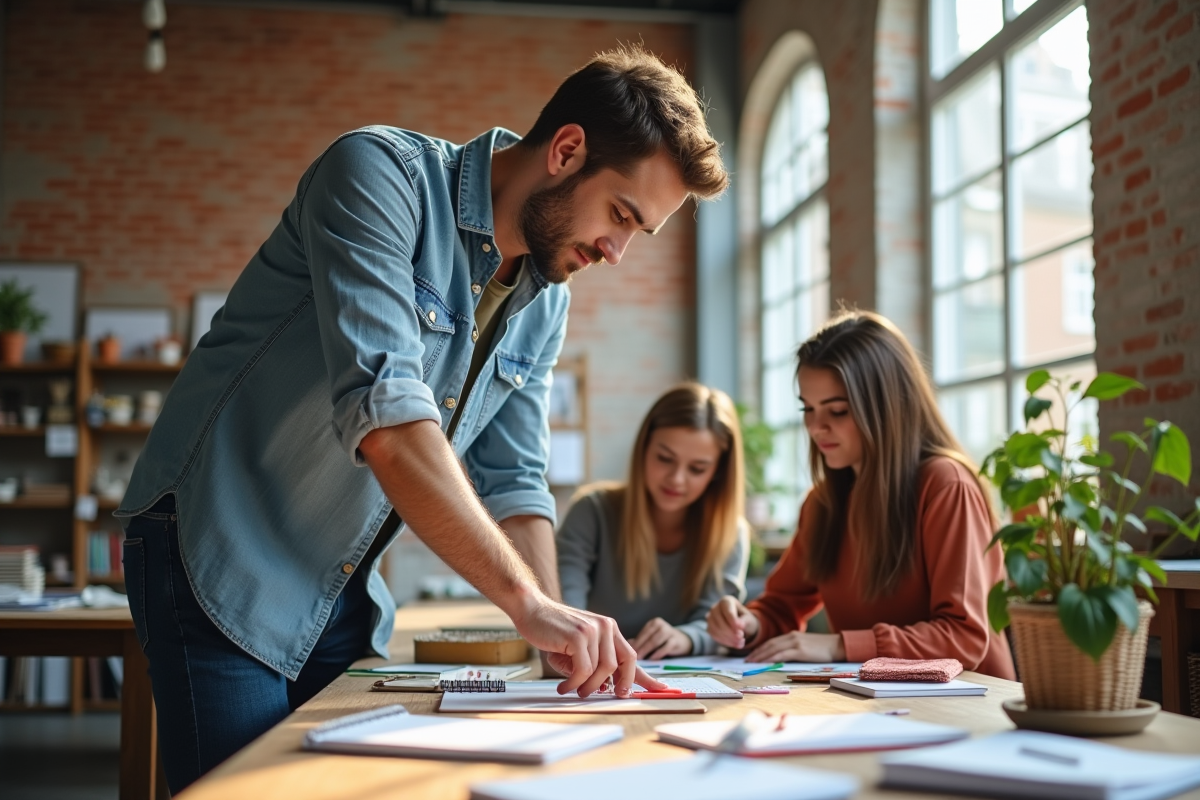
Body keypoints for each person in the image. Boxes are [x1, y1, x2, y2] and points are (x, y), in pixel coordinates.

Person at [116, 44, 728, 792]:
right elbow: (390, 421)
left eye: (641, 232)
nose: (618, 250)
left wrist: (553, 642)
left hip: (336, 585)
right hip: (219, 552)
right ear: (567, 151)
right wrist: (528, 604)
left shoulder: (547, 301)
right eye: (621, 214)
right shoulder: (378, 176)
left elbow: (514, 479)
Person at [707, 311, 1016, 680]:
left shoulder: (947, 485)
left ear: (887, 407)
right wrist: (747, 623)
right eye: (808, 408)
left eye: (837, 410)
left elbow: (964, 638)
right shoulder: (822, 503)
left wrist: (839, 645)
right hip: (875, 703)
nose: (815, 427)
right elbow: (781, 606)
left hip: (969, 703)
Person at [557, 383, 749, 659]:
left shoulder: (730, 533)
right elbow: (562, 613)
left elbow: (717, 625)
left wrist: (684, 637)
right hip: (591, 673)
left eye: (697, 468)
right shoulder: (591, 512)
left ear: (718, 472)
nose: (676, 479)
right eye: (665, 458)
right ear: (643, 449)